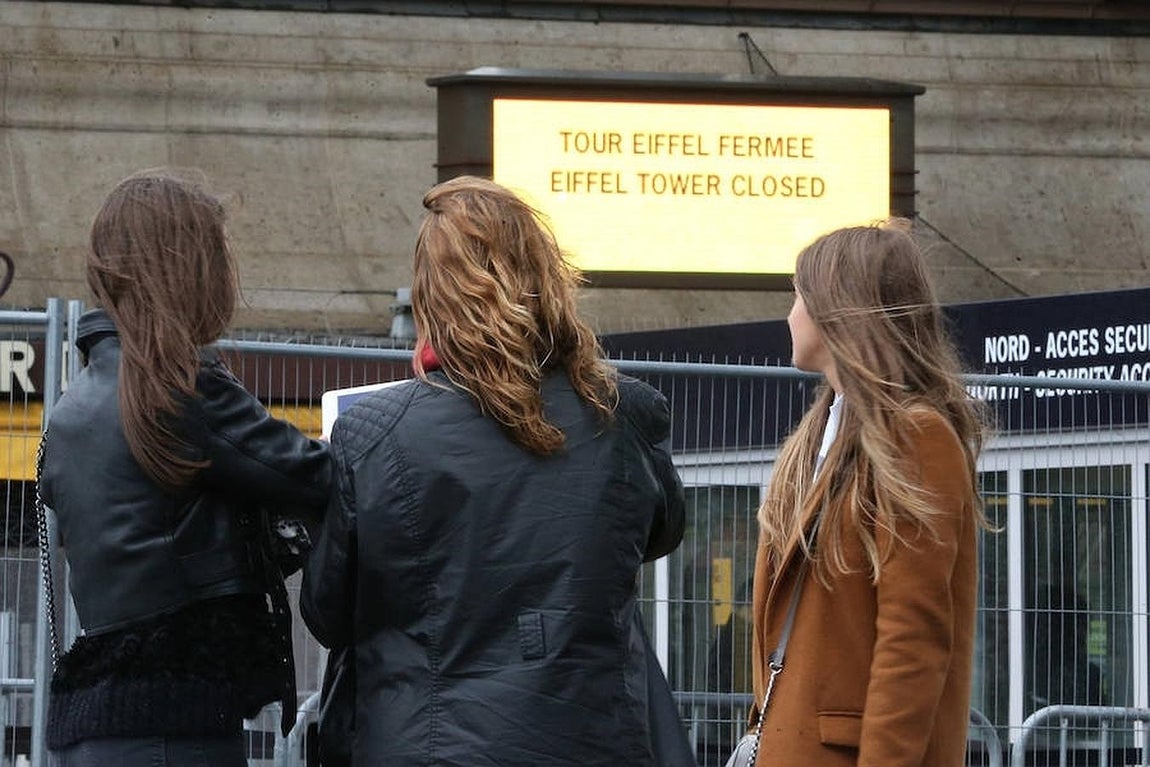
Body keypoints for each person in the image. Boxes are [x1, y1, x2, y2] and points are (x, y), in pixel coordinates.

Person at [301, 175, 688, 766]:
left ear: (432, 295)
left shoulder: (375, 431)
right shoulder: (623, 411)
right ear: (547, 275)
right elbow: (659, 532)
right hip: (590, 742)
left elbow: (328, 611)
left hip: (425, 745)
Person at [39, 169, 332, 766]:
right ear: (191, 269)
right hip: (174, 732)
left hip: (100, 727)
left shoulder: (74, 405)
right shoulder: (176, 389)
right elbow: (315, 476)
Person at [747, 221, 985, 766]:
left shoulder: (916, 437)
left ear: (837, 310)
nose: (789, 313)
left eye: (798, 295)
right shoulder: (822, 435)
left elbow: (912, 642)